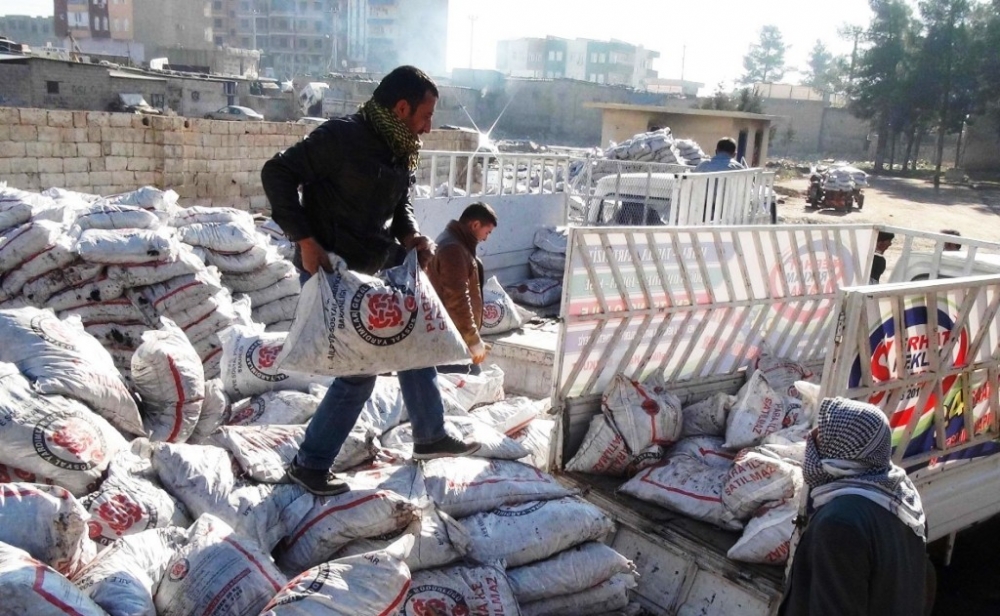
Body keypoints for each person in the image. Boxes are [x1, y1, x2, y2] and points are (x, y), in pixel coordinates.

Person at [261, 65, 480, 496]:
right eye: (425, 116)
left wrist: (411, 234)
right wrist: (305, 240)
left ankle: (430, 435)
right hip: (328, 268)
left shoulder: (399, 147)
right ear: (401, 108)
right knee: (359, 371)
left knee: (414, 337)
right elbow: (277, 174)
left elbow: (400, 205)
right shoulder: (341, 137)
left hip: (371, 266)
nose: (429, 127)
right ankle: (309, 464)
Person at [778, 397, 929, 616]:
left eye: (824, 436)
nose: (812, 439)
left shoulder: (839, 522)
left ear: (845, 450)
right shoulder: (900, 495)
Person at [427, 202, 498, 376]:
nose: (486, 238)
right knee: (463, 389)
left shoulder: (454, 242)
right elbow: (457, 298)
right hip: (451, 337)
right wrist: (472, 339)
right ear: (475, 225)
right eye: (486, 232)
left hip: (452, 334)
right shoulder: (453, 249)